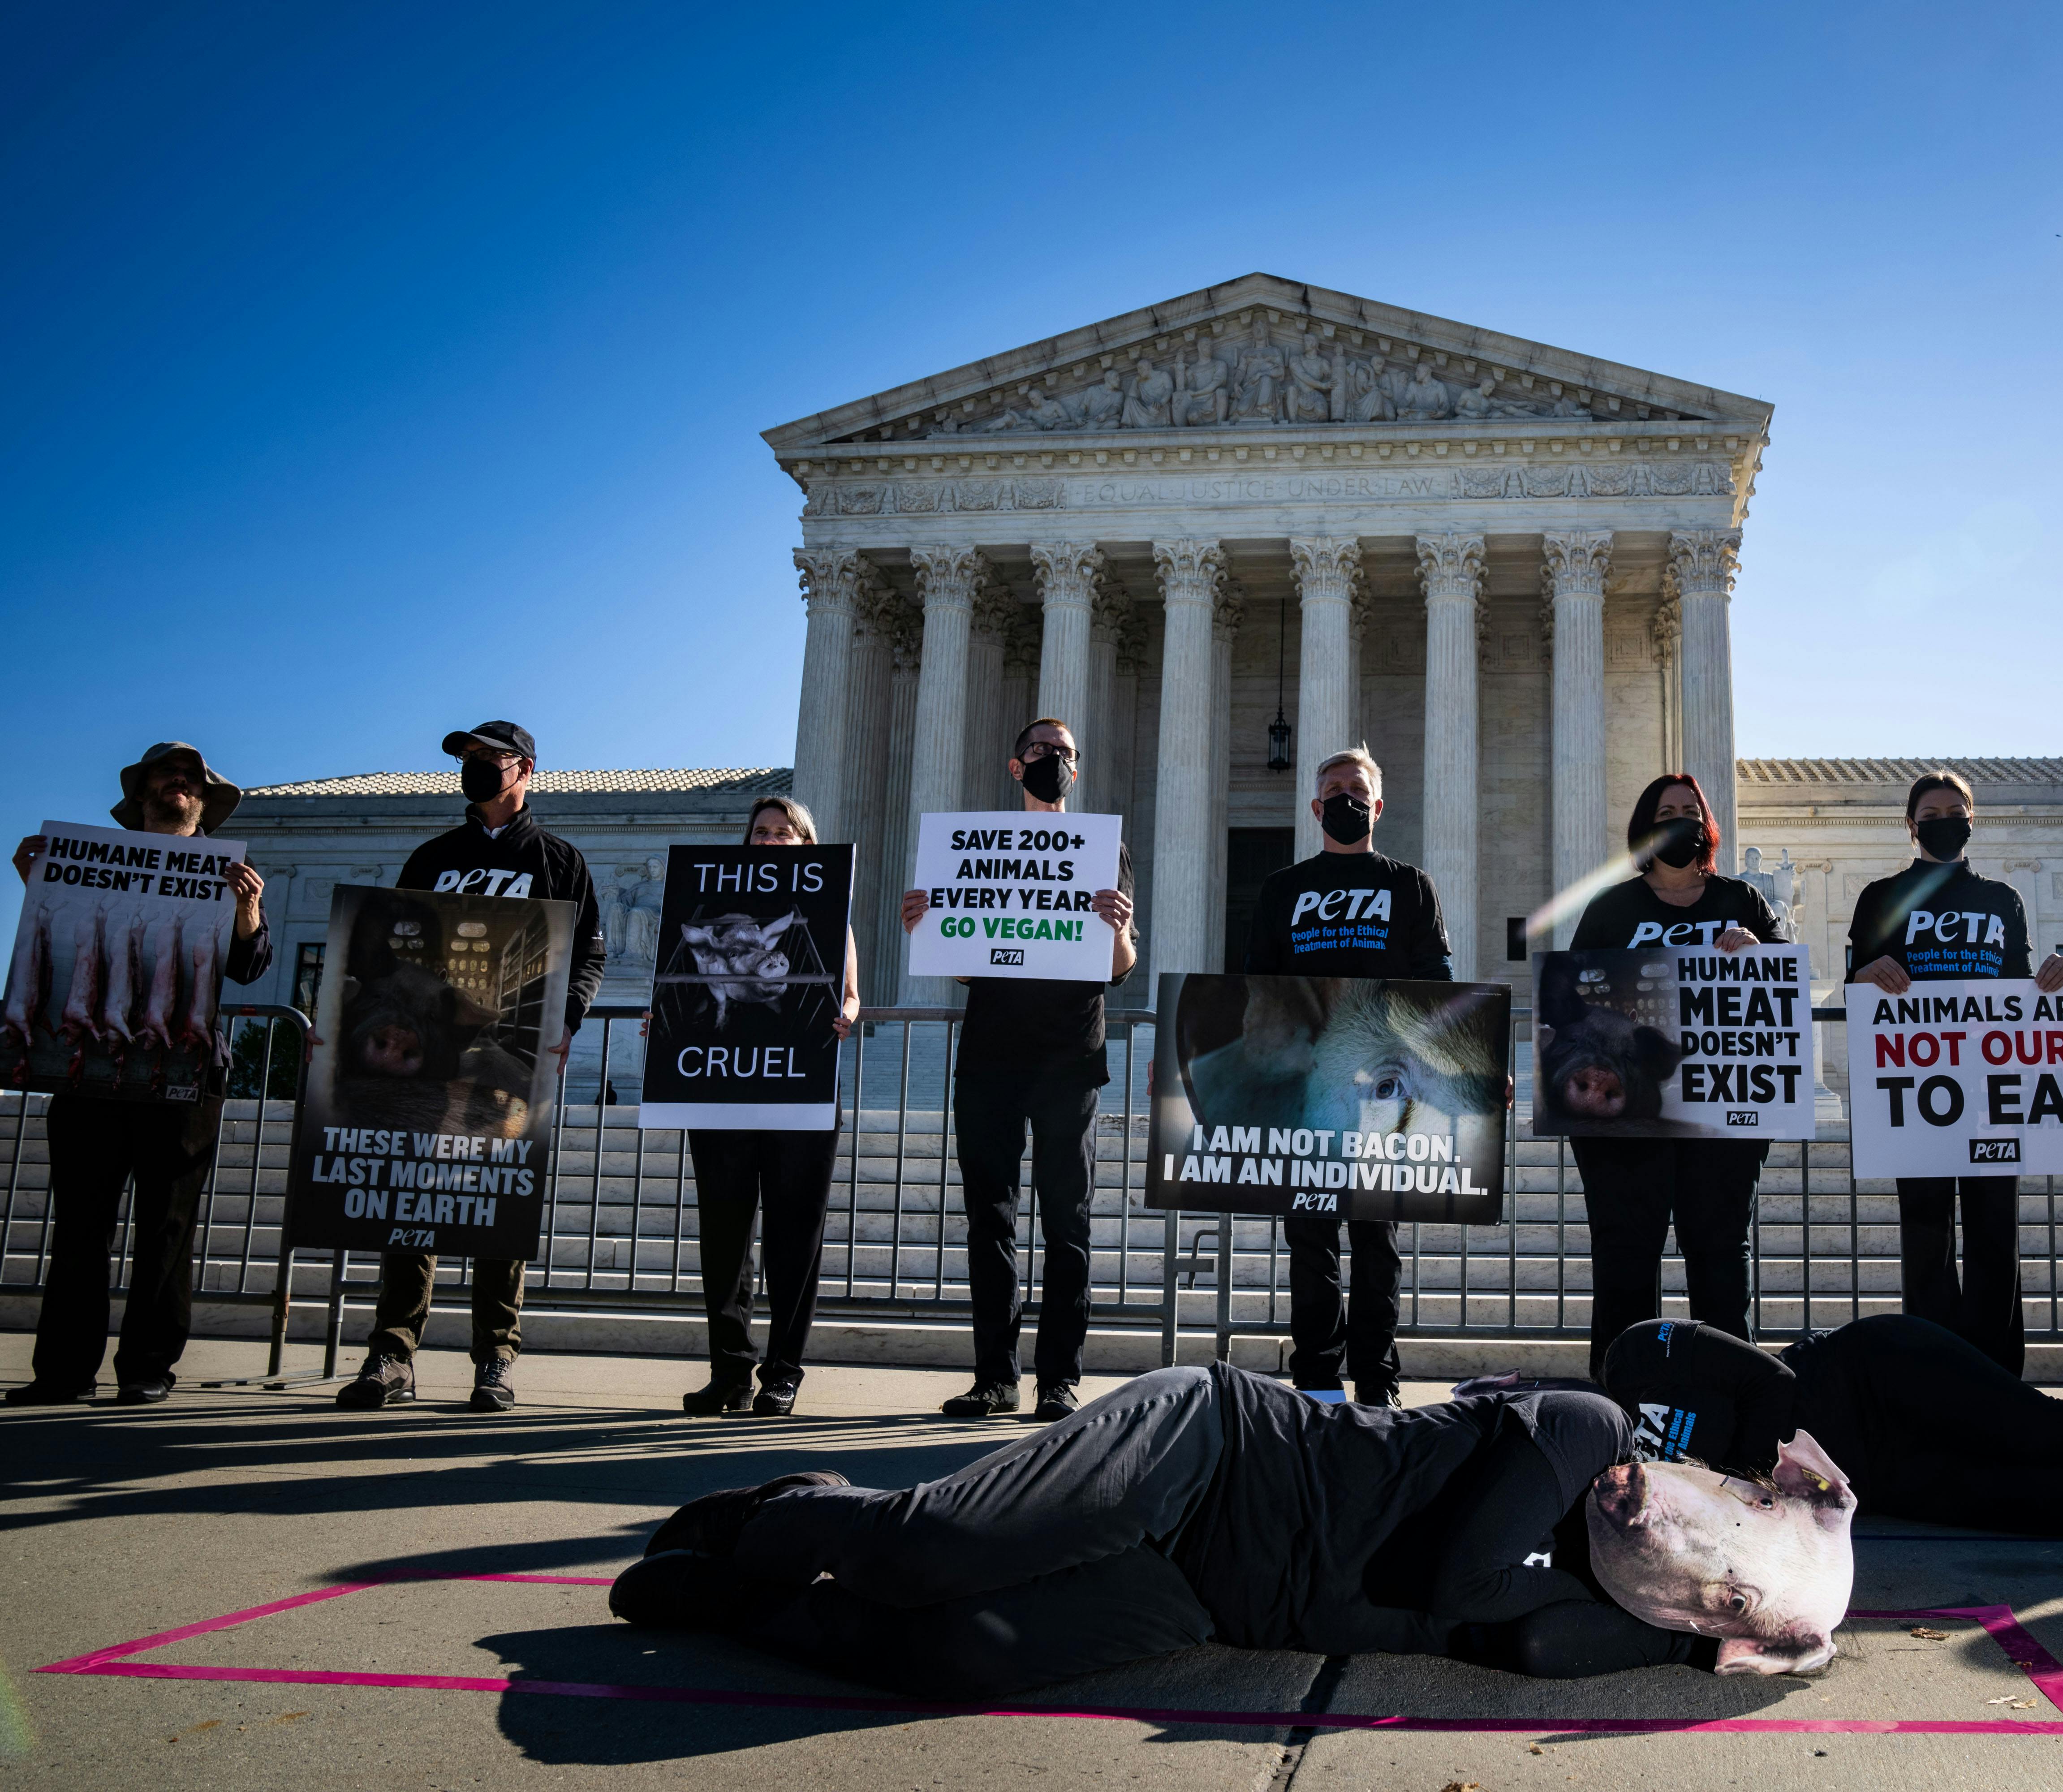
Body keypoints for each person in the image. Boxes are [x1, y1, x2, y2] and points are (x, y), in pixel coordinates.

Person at [606, 1362, 1833, 1696]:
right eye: (1713, 1491)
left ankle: (748, 1610)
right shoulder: (1583, 1425)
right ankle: (796, 1516)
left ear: (1692, 1593)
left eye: (1699, 1545)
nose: (1649, 1493)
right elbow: (1461, 1582)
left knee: (943, 1655)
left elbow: (1533, 1655)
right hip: (1208, 1450)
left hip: (1208, 1599)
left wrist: (1693, 1651)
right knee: (932, 1553)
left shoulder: (1587, 1619)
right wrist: (1601, 1593)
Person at [332, 721, 607, 1414]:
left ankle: (495, 1359)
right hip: (423, 1056)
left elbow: (589, 955)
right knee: (413, 1201)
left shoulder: (559, 861)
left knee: (498, 1203)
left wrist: (564, 1019)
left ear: (527, 770)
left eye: (490, 758)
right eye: (468, 758)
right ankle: (392, 1352)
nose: (476, 767)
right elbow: (394, 948)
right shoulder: (432, 857)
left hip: (508, 1058)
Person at [5, 745, 272, 1406]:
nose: (179, 783)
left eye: (191, 779)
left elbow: (248, 968)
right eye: (166, 774)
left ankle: (148, 1366)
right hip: (91, 1067)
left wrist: (249, 918)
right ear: (144, 792)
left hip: (183, 1071)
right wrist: (36, 884)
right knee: (80, 1226)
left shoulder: (231, 872)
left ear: (205, 801)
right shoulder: (86, 866)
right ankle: (64, 1370)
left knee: (167, 1229)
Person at [902, 719, 1136, 1424]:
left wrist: (1119, 926)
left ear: (1077, 769)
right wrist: (928, 930)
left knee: (1068, 1224)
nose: (1054, 762)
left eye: (1065, 754)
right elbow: (971, 966)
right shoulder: (976, 854)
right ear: (1016, 766)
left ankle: (1059, 1381)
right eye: (1042, 752)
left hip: (1070, 1058)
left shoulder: (1105, 850)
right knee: (991, 1221)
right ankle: (995, 1379)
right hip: (993, 1057)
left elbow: (1119, 968)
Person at [1579, 1315, 2063, 1536]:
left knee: (2040, 1432)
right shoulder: (1616, 1483)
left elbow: (1772, 1381)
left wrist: (1751, 1482)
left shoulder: (1635, 1352)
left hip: (1876, 1374)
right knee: (2040, 1508)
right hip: (1870, 1475)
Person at [1242, 745, 1452, 1408]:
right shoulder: (1282, 890)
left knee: (1377, 1246)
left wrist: (1473, 1070)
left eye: (1357, 788)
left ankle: (1376, 1384)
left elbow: (1438, 990)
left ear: (1379, 805)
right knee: (1310, 1244)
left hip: (1384, 1095)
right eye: (1333, 789)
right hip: (1310, 1093)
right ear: (1314, 808)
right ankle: (1315, 1382)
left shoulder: (1410, 886)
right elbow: (1259, 992)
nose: (1345, 798)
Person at [1846, 771, 2063, 1376]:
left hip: (1989, 1087)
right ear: (1912, 824)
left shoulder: (2002, 899)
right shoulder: (1881, 896)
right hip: (1916, 1088)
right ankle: (1934, 1373)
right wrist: (1868, 976)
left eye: (1957, 809)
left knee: (1996, 1231)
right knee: (1926, 1234)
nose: (1945, 818)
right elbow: (1855, 984)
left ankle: (1999, 1376)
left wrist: (2054, 981)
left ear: (1972, 819)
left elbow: (2018, 990)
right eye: (1932, 810)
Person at [1564, 772, 1785, 1379]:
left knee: (1719, 1263)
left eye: (1691, 810)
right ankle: (1620, 1406)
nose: (1681, 819)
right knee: (1624, 1264)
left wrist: (1758, 952)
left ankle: (1731, 1411)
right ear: (1646, 826)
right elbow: (1573, 995)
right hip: (1626, 1120)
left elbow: (1784, 992)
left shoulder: (1741, 903)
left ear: (1707, 826)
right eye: (1668, 811)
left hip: (1721, 1119)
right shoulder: (1612, 908)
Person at [677, 796, 862, 1418]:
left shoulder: (826, 907)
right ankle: (729, 1369)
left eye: (785, 833)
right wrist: (665, 1022)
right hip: (722, 1084)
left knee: (794, 1232)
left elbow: (853, 994)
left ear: (808, 847)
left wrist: (848, 1015)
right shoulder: (704, 904)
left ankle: (782, 1371)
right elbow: (679, 985)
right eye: (761, 832)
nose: (771, 840)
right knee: (725, 1231)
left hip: (800, 1085)